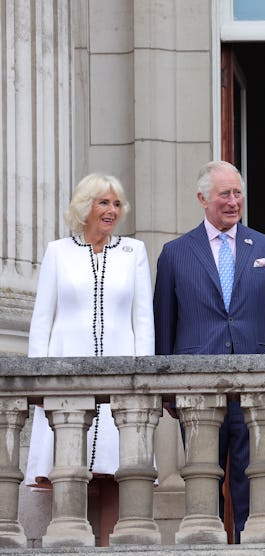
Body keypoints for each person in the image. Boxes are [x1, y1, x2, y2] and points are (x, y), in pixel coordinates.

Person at [153, 160, 265, 542]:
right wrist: (167, 390)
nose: (233, 202)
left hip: (258, 387)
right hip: (198, 388)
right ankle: (208, 546)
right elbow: (164, 326)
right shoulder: (175, 253)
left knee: (256, 479)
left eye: (238, 193)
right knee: (203, 479)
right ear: (203, 199)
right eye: (224, 194)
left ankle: (254, 546)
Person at [26, 173, 154, 546]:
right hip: (66, 379)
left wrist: (143, 382)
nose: (112, 210)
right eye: (104, 203)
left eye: (116, 204)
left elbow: (142, 321)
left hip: (120, 381)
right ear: (85, 208)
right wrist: (38, 381)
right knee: (69, 470)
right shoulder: (57, 252)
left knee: (117, 471)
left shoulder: (134, 253)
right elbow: (41, 322)